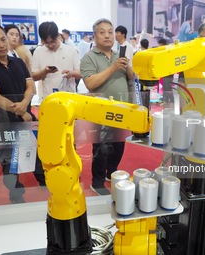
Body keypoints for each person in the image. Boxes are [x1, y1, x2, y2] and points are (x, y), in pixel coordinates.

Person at [0, 22, 46, 203]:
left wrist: (24, 104)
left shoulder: (18, 62)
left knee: (40, 151)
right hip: (3, 121)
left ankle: (44, 183)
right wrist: (22, 111)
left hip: (27, 115)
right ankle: (16, 196)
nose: (1, 44)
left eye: (3, 39)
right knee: (8, 161)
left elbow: (31, 87)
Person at [80, 18, 133, 195]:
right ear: (95, 36)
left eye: (110, 32)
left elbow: (129, 81)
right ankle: (98, 182)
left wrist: (130, 71)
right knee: (101, 148)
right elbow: (90, 83)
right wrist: (113, 68)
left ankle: (111, 172)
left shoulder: (120, 55)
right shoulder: (89, 57)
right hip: (100, 112)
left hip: (122, 109)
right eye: (102, 32)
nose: (107, 36)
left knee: (119, 145)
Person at [32, 21, 81, 102]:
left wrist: (72, 73)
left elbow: (81, 73)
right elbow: (34, 76)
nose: (50, 45)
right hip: (47, 99)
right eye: (47, 43)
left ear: (58, 35)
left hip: (69, 100)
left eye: (52, 42)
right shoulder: (38, 51)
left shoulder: (71, 51)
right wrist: (44, 71)